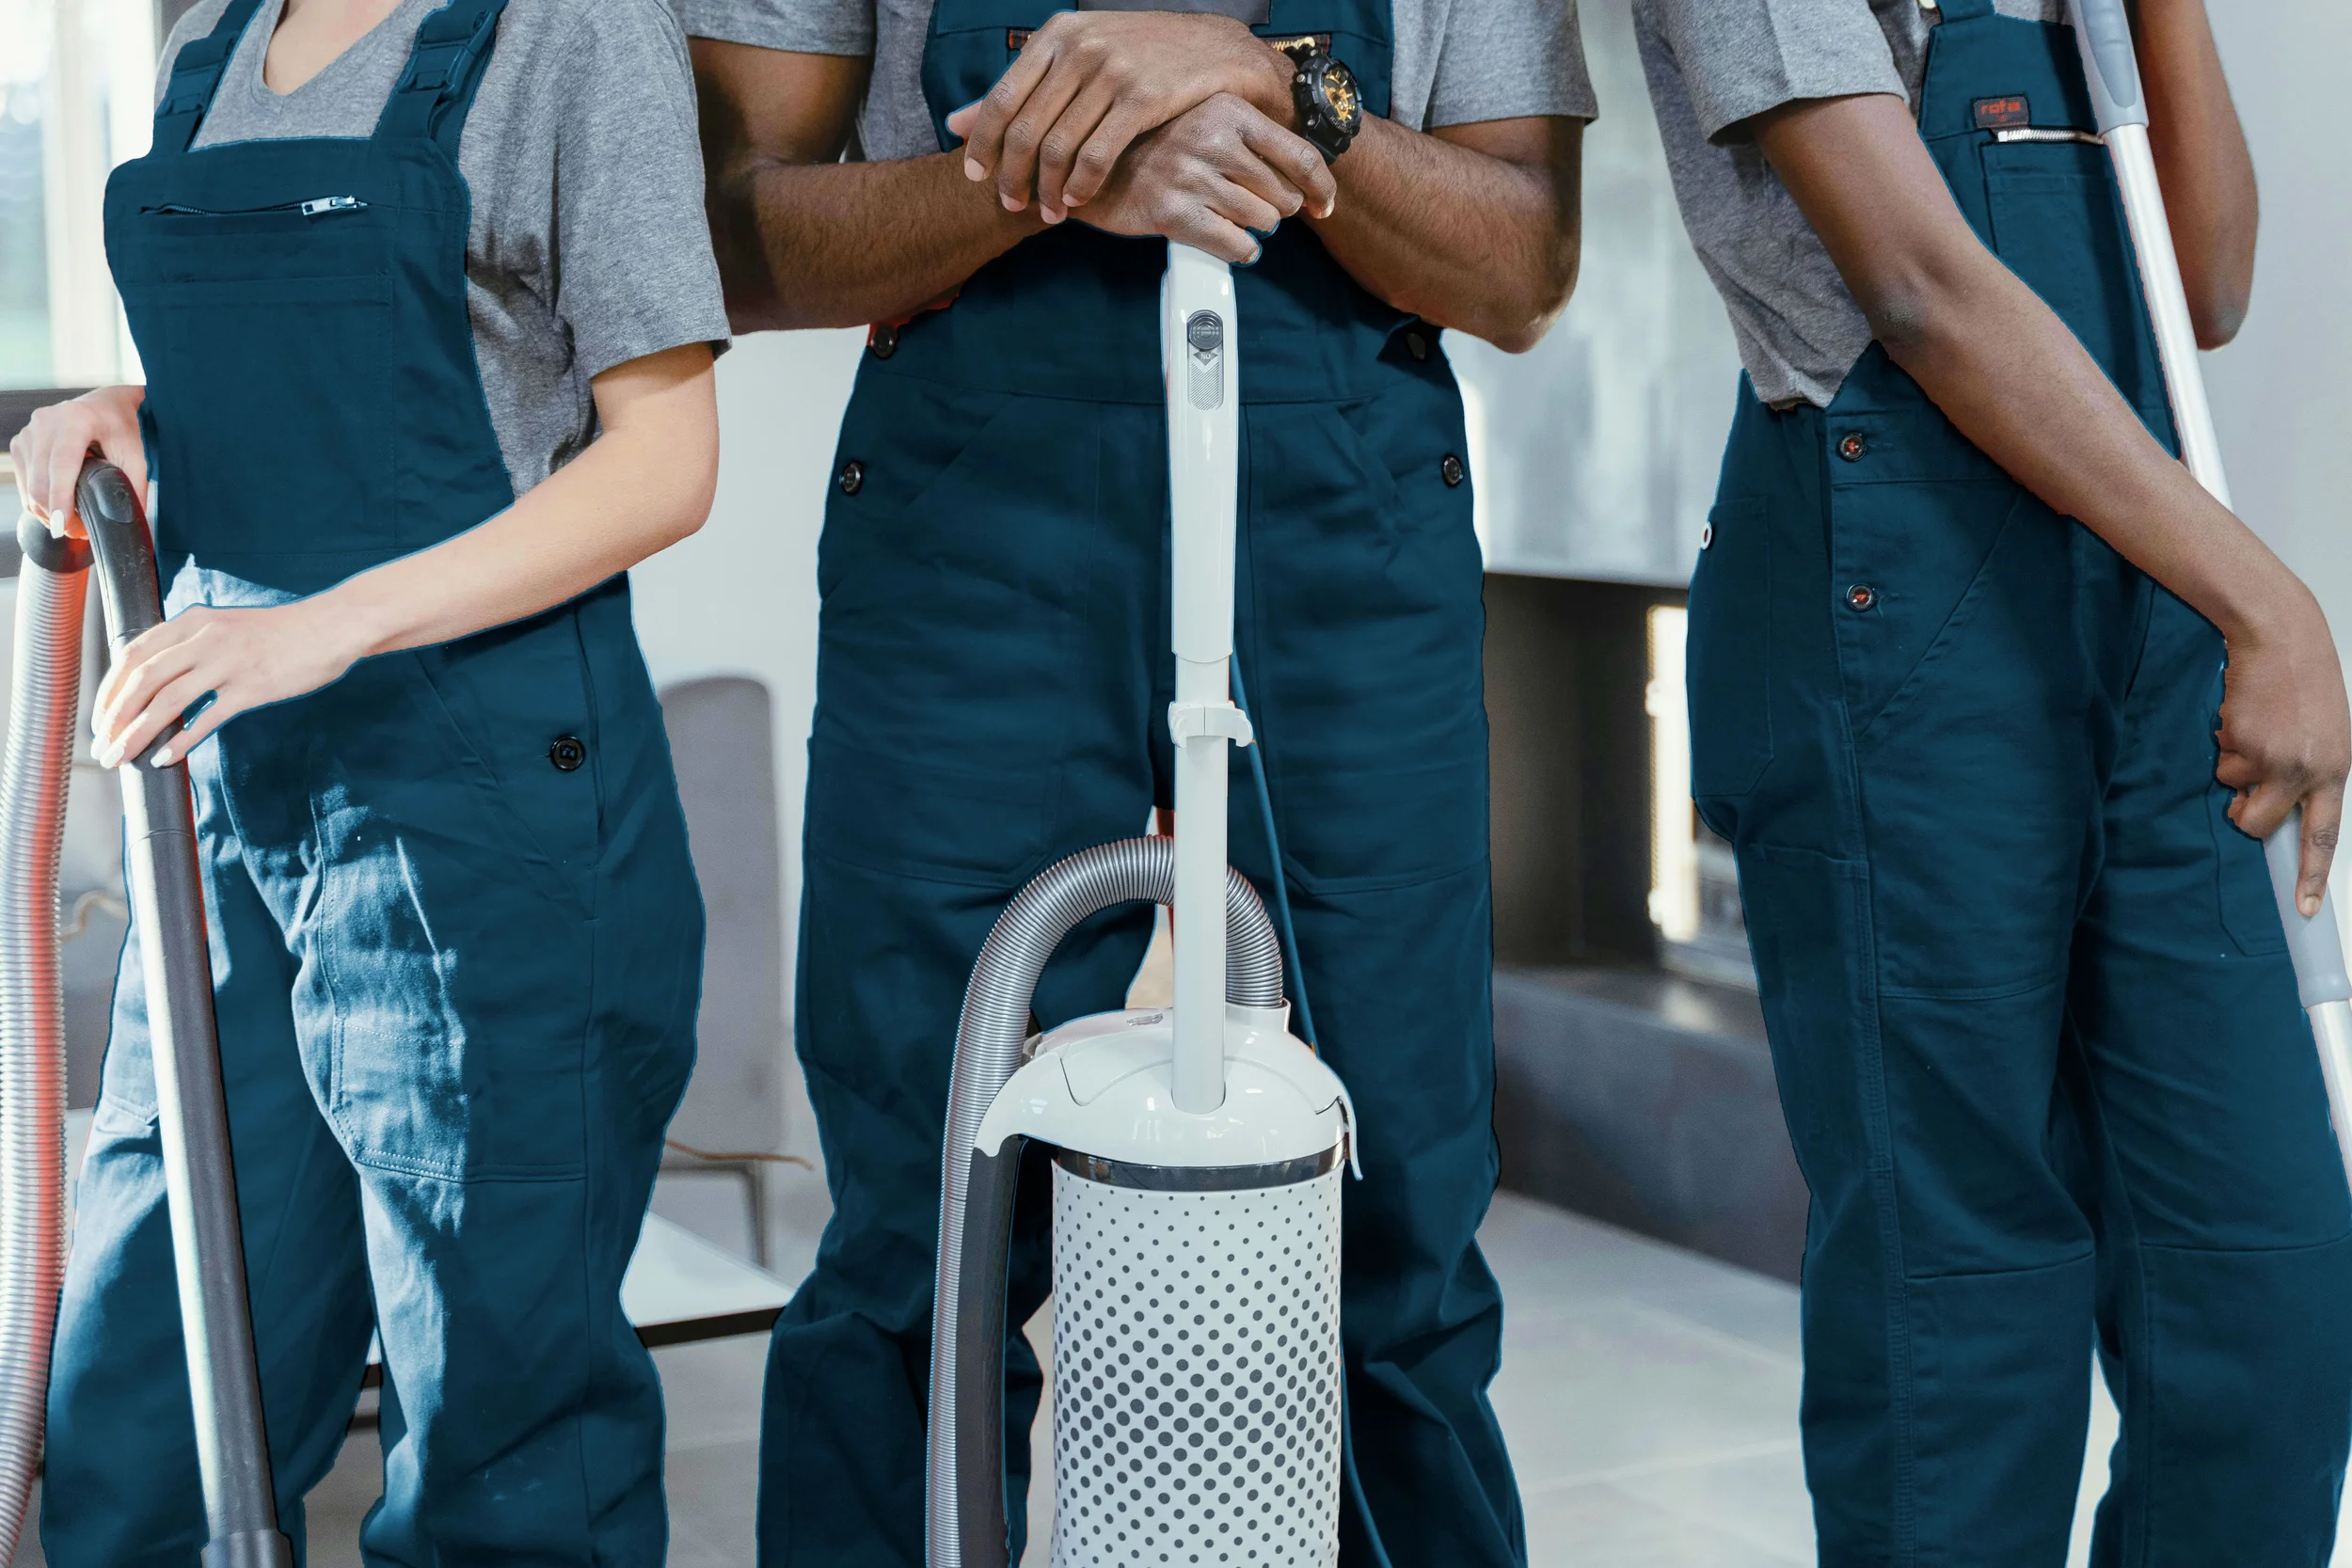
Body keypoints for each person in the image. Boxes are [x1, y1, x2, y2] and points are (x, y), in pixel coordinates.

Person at [683, 1, 1591, 1561]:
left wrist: (1276, 87)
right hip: (979, 534)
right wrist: (1058, 169)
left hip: (1348, 527)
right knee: (927, 1211)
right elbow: (739, 237)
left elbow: (1521, 267)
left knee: (1400, 1214)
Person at [6, 0, 727, 1559]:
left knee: (500, 1435)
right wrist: (135, 417)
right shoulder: (212, 38)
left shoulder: (573, 36)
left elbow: (667, 459)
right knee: (150, 1382)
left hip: (486, 815)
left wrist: (324, 630)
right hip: (231, 799)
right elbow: (286, 401)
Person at [1634, 0, 2352, 1560]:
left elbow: (2204, 284)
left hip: (2141, 619)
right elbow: (1920, 284)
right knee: (1960, 1328)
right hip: (1896, 599)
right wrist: (2266, 602)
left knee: (2263, 1285)